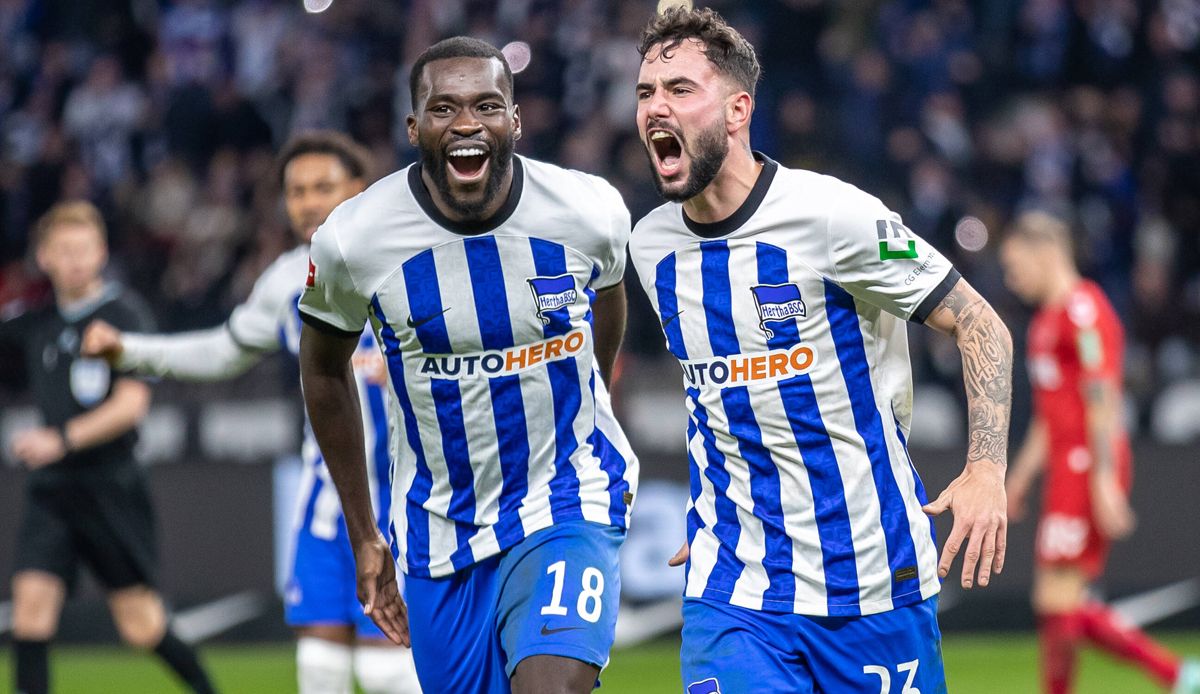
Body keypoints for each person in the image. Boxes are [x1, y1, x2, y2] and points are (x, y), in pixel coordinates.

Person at [627, 8, 1012, 692]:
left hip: (870, 578)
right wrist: (716, 504)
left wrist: (986, 469)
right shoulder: (650, 246)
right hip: (735, 587)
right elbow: (714, 387)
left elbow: (981, 324)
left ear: (738, 110)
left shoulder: (835, 216)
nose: (656, 106)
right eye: (646, 92)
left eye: (680, 89)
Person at [297, 36, 638, 694]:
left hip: (566, 497)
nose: (465, 124)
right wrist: (365, 535)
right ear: (413, 127)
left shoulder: (588, 211)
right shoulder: (353, 239)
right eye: (443, 108)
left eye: (486, 105)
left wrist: (599, 414)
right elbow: (322, 371)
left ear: (515, 120)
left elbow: (610, 298)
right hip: (438, 529)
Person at [80, 132, 422, 694]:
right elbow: (224, 350)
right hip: (326, 504)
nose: (309, 202)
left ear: (360, 190)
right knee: (320, 668)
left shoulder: (411, 259)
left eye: (323, 187)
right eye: (296, 191)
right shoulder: (287, 280)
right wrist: (130, 351)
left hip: (409, 500)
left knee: (386, 671)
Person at [2, 202, 215, 694]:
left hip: (110, 486)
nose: (75, 260)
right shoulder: (36, 323)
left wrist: (62, 439)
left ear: (101, 253)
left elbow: (130, 406)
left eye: (84, 249)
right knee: (30, 611)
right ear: (44, 257)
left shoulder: (124, 314)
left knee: (141, 626)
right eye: (64, 250)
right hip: (52, 490)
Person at [1001, 211, 1200, 694]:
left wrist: (1105, 479)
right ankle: (1177, 675)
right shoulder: (1044, 323)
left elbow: (1102, 398)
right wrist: (1020, 479)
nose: (1011, 278)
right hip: (1067, 466)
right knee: (1056, 602)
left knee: (1059, 598)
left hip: (1088, 463)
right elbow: (1048, 417)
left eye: (1015, 265)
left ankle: (1175, 675)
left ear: (1045, 251)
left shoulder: (1084, 311)